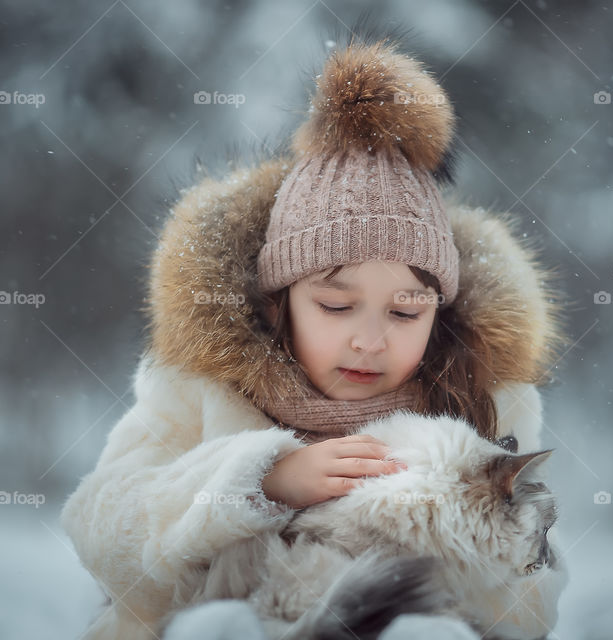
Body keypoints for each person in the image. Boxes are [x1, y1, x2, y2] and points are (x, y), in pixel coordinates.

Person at [60, 37, 569, 640]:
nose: (369, 341)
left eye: (405, 314)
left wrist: (456, 555)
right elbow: (101, 524)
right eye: (335, 305)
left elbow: (535, 593)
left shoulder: (479, 406)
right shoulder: (205, 391)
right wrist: (256, 481)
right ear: (280, 306)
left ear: (439, 316)